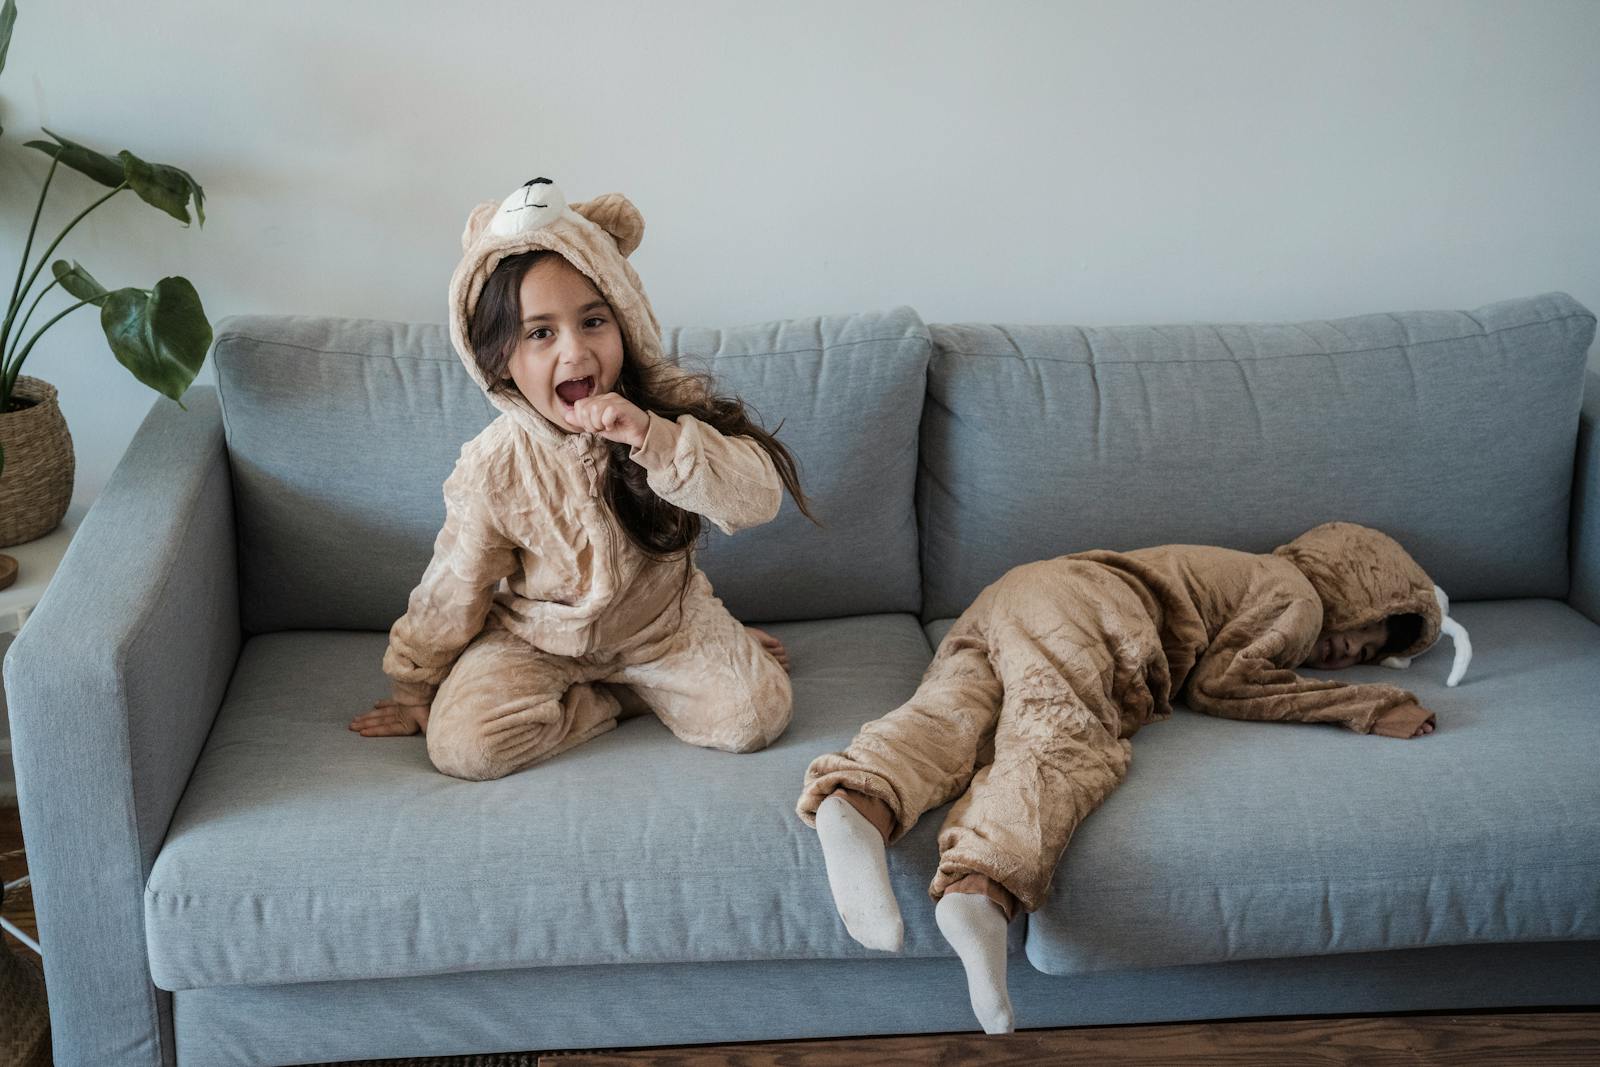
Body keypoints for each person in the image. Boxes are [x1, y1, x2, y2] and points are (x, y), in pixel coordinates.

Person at [795, 521, 1471, 1034]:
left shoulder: (1252, 576)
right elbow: (1226, 681)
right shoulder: (1298, 596)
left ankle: (859, 801)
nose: (1355, 652)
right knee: (1064, 734)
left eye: (1374, 657)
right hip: (1088, 607)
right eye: (1372, 632)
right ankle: (981, 888)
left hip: (1015, 594)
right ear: (1358, 580)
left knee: (952, 716)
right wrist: (1366, 702)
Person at [351, 177, 813, 779]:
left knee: (755, 714)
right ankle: (610, 699)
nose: (574, 352)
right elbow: (455, 581)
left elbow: (756, 497)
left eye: (593, 321)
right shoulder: (493, 464)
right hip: (537, 640)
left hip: (663, 625)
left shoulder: (671, 409)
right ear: (500, 361)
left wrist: (653, 436)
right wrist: (414, 685)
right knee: (464, 749)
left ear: (625, 322)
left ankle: (673, 667)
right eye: (540, 333)